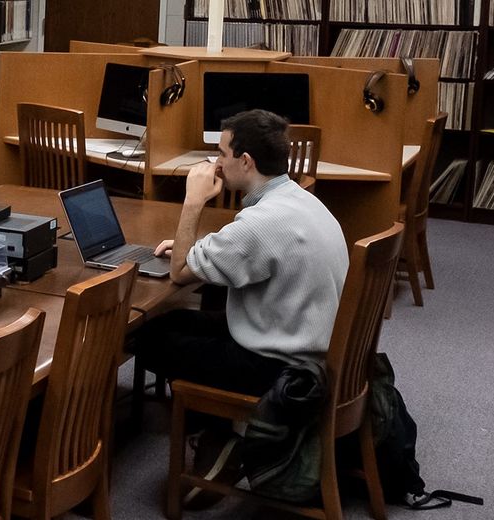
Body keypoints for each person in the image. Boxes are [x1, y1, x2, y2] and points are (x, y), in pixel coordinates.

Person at [135, 109, 349, 506]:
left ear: (245, 161)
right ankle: (212, 429)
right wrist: (199, 247)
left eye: (221, 153)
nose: (216, 163)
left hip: (280, 368)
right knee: (178, 320)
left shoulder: (261, 223)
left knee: (148, 338)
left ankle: (218, 439)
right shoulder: (300, 199)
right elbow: (247, 249)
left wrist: (193, 200)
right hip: (310, 345)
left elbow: (181, 272)